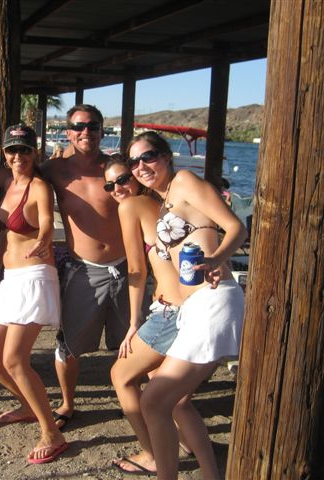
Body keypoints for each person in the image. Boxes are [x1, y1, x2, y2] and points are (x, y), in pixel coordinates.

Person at [128, 131, 247, 479]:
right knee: (174, 402)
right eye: (134, 162)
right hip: (193, 308)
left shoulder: (184, 182)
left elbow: (236, 227)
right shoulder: (165, 199)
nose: (140, 166)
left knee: (153, 401)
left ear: (166, 156)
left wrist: (217, 258)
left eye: (148, 157)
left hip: (213, 300)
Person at [0, 123, 68, 463]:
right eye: (12, 150)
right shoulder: (8, 181)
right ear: (4, 153)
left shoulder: (39, 186)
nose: (18, 155)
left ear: (34, 152)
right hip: (10, 278)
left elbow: (47, 221)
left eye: (24, 149)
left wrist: (43, 241)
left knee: (14, 359)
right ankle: (27, 405)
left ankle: (52, 432)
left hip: (35, 276)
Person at [41, 104, 130, 430]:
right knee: (68, 344)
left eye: (93, 126)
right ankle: (67, 403)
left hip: (126, 267)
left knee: (133, 341)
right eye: (78, 126)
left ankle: (131, 399)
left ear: (102, 130)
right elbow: (15, 178)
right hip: (84, 269)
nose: (86, 132)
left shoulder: (116, 168)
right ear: (68, 132)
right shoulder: (54, 169)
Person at [103, 158, 190, 475]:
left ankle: (152, 454)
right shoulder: (161, 204)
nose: (117, 189)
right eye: (109, 185)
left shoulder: (131, 206)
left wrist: (133, 323)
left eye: (122, 179)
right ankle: (186, 442)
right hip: (186, 307)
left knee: (121, 376)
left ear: (136, 178)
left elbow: (136, 269)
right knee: (160, 381)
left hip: (169, 312)